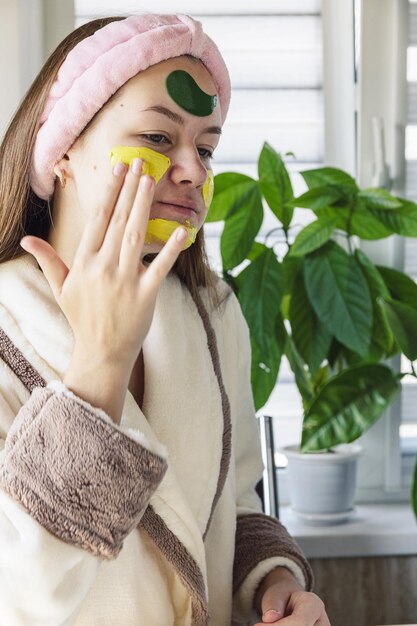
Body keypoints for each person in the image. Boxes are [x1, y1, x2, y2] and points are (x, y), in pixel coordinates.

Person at [0, 13, 330, 626]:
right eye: (157, 138)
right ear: (64, 149)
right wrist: (101, 362)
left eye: (206, 148)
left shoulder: (216, 315)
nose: (195, 170)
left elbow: (231, 504)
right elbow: (17, 591)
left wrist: (273, 584)